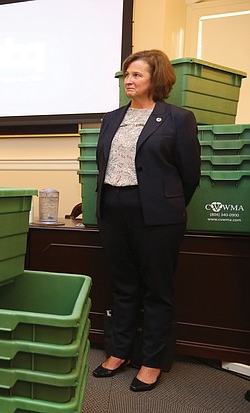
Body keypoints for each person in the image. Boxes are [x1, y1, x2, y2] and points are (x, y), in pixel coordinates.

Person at [92, 50, 201, 392]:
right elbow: (103, 164)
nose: (129, 80)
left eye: (137, 75)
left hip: (157, 215)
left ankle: (152, 361)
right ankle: (119, 352)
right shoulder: (111, 118)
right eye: (127, 75)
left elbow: (189, 175)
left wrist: (164, 204)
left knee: (157, 290)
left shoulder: (177, 118)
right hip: (114, 208)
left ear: (156, 79)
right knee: (123, 286)